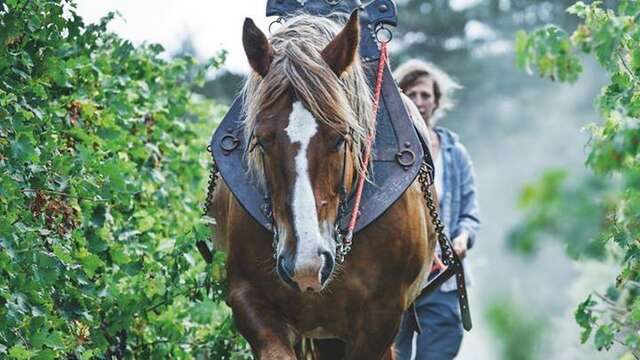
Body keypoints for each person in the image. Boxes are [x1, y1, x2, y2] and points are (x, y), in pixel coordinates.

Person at [393, 59, 481, 360]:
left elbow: (470, 212)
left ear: (436, 101)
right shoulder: (385, 152)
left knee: (441, 349)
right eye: (411, 94)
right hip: (395, 276)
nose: (418, 102)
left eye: (425, 95)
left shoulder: (455, 153)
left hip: (442, 275)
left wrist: (463, 238)